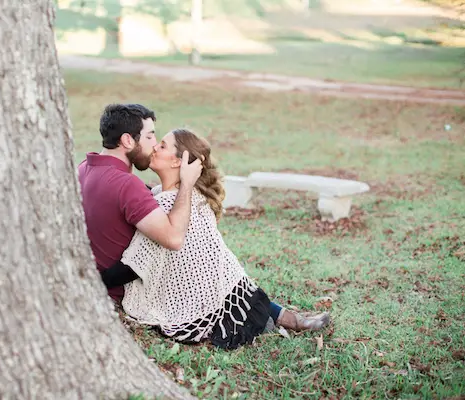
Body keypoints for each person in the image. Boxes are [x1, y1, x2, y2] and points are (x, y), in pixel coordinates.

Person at [102, 129, 331, 350]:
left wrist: (96, 278)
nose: (154, 148)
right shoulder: (175, 194)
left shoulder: (176, 202)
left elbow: (134, 265)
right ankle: (290, 319)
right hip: (214, 289)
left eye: (162, 145)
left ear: (177, 162)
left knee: (239, 288)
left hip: (212, 290)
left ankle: (289, 320)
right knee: (244, 294)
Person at [78, 104, 203, 303]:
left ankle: (270, 310)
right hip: (126, 291)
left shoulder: (83, 168)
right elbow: (174, 239)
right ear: (128, 140)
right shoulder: (125, 184)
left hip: (96, 280)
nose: (154, 145)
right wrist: (187, 183)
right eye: (149, 136)